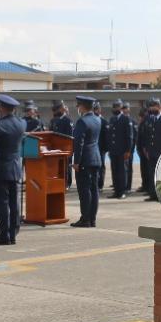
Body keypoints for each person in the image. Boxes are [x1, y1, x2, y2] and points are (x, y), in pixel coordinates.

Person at [0, 94, 24, 245]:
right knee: (14, 203)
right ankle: (13, 233)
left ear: (2, 108)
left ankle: (4, 234)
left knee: (1, 203)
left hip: (1, 169)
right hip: (15, 167)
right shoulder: (21, 123)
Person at [71, 95, 102, 228]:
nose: (78, 108)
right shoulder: (97, 120)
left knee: (84, 191)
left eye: (78, 105)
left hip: (85, 160)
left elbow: (79, 143)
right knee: (94, 190)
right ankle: (92, 219)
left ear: (83, 107)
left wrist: (76, 161)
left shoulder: (82, 122)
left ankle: (85, 219)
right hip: (95, 158)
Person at [142, 98, 161, 201]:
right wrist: (146, 148)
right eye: (150, 107)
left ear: (159, 107)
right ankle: (153, 194)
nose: (151, 108)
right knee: (152, 173)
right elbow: (147, 135)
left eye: (154, 106)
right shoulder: (150, 119)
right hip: (151, 152)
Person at [108, 100, 132, 198]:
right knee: (115, 171)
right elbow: (110, 135)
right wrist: (109, 149)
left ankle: (122, 192)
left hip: (122, 151)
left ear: (121, 108)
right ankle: (116, 191)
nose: (115, 109)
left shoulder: (126, 119)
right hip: (113, 151)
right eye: (114, 107)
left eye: (117, 107)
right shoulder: (112, 119)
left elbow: (129, 136)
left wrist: (128, 150)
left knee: (122, 172)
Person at [49, 101, 73, 188]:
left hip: (66, 148)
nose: (56, 111)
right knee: (58, 167)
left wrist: (69, 149)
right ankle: (59, 182)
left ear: (62, 109)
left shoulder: (68, 120)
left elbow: (70, 136)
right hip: (56, 148)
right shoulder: (54, 120)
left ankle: (67, 184)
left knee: (66, 167)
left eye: (58, 109)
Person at [93, 100, 109, 191]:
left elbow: (106, 137)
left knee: (101, 166)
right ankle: (94, 183)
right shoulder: (90, 120)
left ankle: (100, 185)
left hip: (101, 148)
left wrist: (106, 149)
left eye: (97, 109)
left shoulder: (104, 122)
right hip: (92, 148)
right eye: (94, 109)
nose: (95, 111)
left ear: (100, 110)